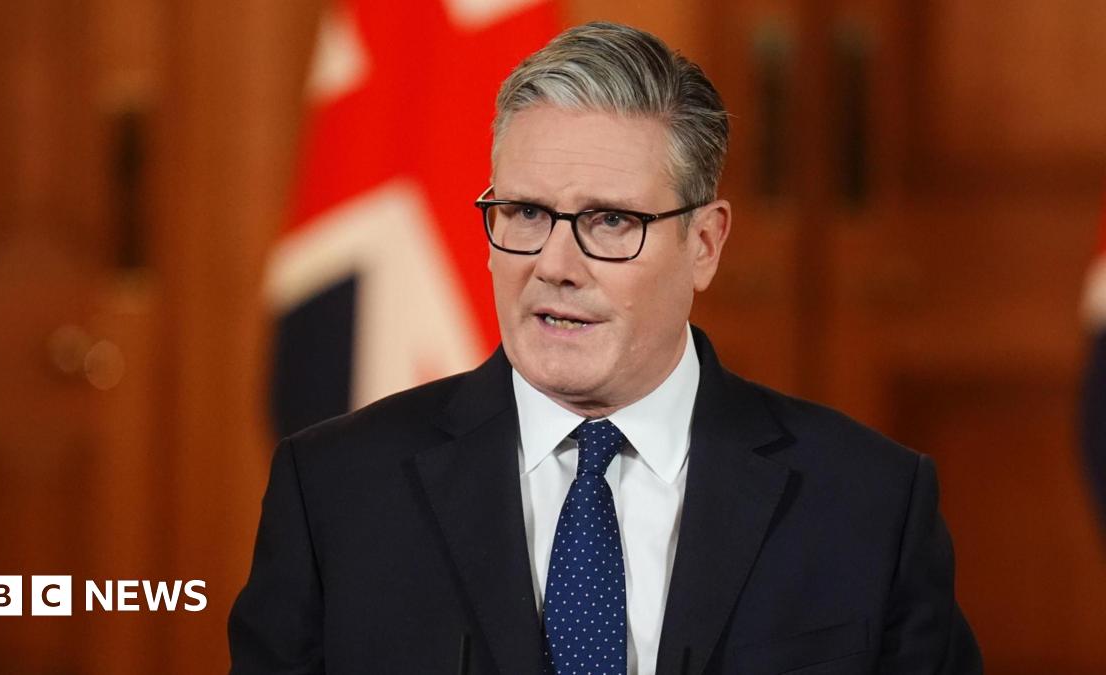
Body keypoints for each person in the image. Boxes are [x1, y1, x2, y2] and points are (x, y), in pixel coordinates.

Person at [228, 21, 981, 675]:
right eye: (525, 212)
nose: (554, 264)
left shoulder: (868, 503)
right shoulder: (335, 493)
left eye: (611, 223)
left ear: (706, 244)